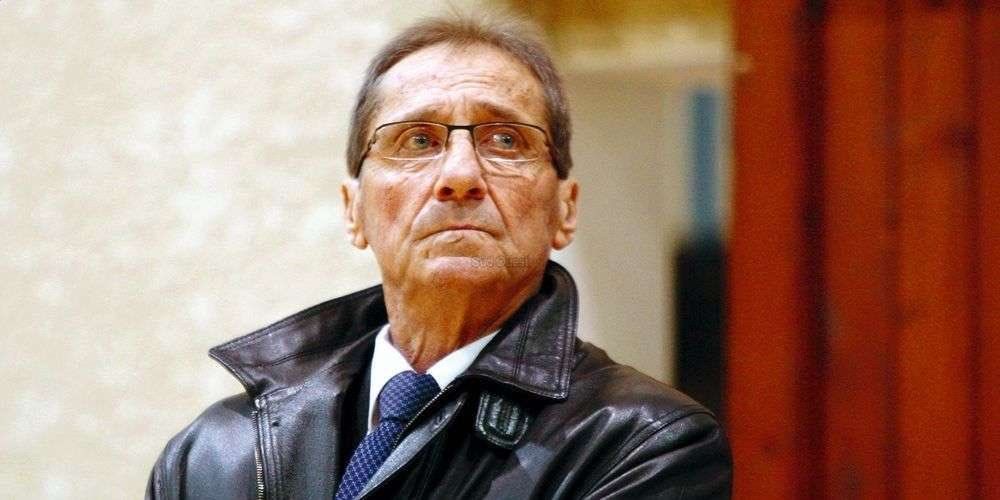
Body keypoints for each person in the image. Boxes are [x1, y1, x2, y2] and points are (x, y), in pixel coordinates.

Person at [147, 14, 731, 500]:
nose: (460, 175)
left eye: (505, 140)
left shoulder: (645, 446)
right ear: (354, 210)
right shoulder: (215, 454)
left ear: (564, 209)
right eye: (418, 140)